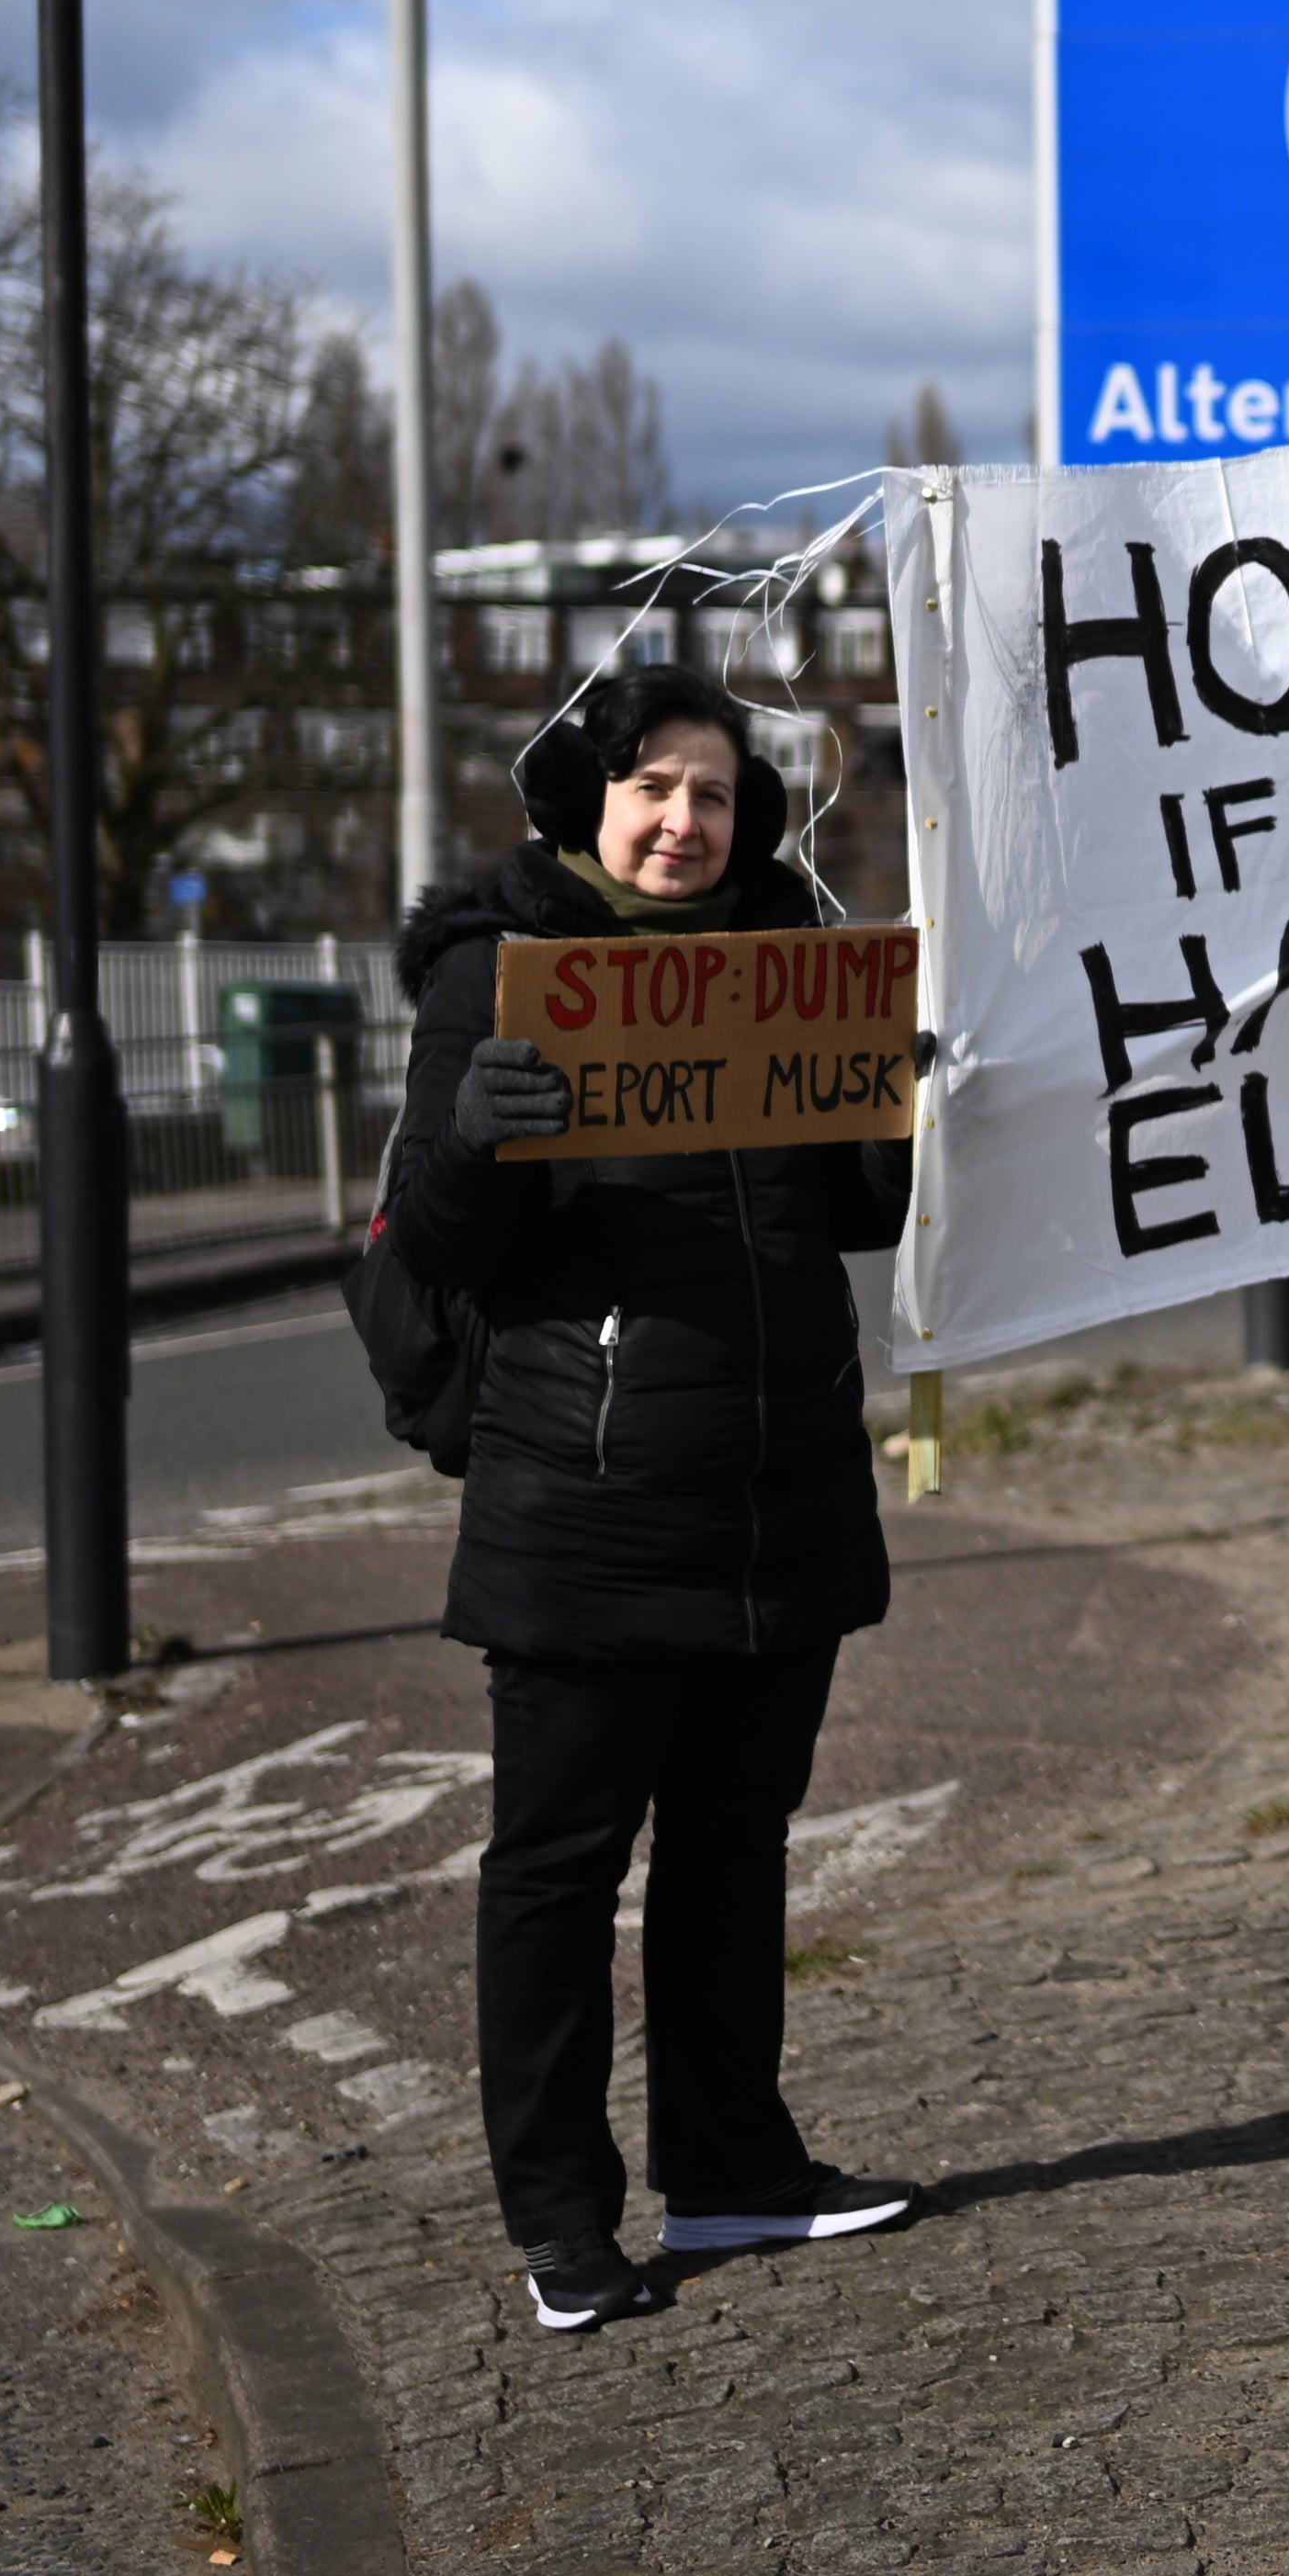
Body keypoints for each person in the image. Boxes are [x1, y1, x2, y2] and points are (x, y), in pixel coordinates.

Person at [380, 662, 922, 2329]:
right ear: (585, 805)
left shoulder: (788, 967)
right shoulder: (500, 980)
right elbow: (434, 1240)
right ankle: (557, 2218)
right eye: (655, 791)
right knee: (557, 1866)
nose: (688, 822)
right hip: (589, 1501)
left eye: (716, 793)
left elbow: (855, 1218)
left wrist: (903, 1095)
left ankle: (734, 2173)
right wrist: (474, 1137)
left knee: (734, 1850)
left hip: (777, 1487)